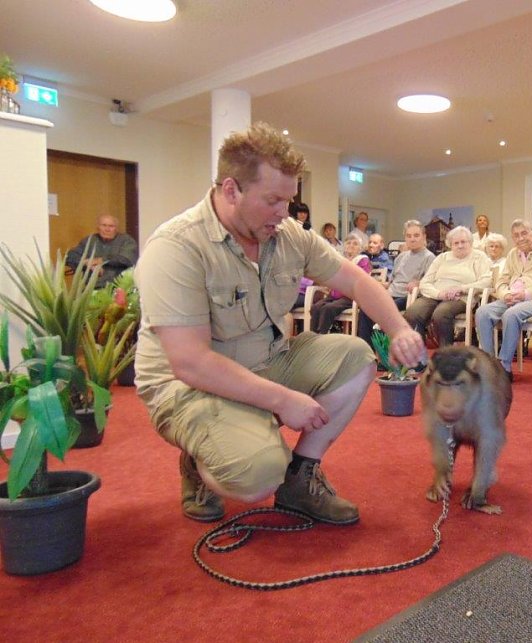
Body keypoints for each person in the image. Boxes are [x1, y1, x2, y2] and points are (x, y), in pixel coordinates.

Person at [134, 122, 424, 525]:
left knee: (356, 357)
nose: (283, 213)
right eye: (273, 200)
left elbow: (356, 280)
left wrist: (400, 329)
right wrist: (282, 400)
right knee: (255, 477)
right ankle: (198, 461)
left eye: (288, 200)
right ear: (231, 190)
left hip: (267, 360)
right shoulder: (177, 247)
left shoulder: (287, 234)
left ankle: (300, 480)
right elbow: (191, 363)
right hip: (189, 387)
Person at [475, 219, 532, 380]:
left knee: (511, 314)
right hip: (510, 299)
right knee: (482, 312)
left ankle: (504, 366)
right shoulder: (512, 254)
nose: (520, 238)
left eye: (524, 233)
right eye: (516, 235)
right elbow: (502, 280)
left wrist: (526, 294)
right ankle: (489, 362)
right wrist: (504, 294)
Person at [405, 226, 491, 347]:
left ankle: (447, 355)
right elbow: (425, 282)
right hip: (436, 294)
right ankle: (419, 357)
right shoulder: (442, 258)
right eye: (456, 243)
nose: (460, 245)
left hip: (460, 297)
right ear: (450, 244)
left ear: (470, 242)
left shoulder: (479, 257)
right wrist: (439, 294)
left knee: (440, 315)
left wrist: (461, 288)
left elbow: (487, 281)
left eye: (463, 242)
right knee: (412, 314)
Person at [357, 220, 435, 346]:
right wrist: (380, 285)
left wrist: (419, 283)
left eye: (416, 235)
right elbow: (392, 281)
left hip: (408, 297)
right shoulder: (401, 257)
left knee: (385, 309)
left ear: (424, 236)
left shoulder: (429, 257)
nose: (412, 239)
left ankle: (387, 354)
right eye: (408, 236)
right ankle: (367, 353)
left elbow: (430, 282)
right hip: (391, 293)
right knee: (366, 308)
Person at [309, 234, 371, 334]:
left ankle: (322, 337)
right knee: (316, 307)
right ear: (344, 246)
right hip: (334, 294)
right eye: (348, 243)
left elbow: (362, 279)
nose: (351, 245)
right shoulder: (340, 259)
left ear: (360, 248)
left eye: (355, 244)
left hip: (350, 296)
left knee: (328, 309)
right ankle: (312, 337)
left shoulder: (363, 260)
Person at [65, 214, 138, 288]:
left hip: (118, 288)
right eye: (104, 225)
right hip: (91, 288)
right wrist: (87, 263)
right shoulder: (90, 240)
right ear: (98, 227)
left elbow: (125, 259)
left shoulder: (127, 240)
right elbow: (70, 257)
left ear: (116, 228)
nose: (107, 229)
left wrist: (101, 260)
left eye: (111, 226)